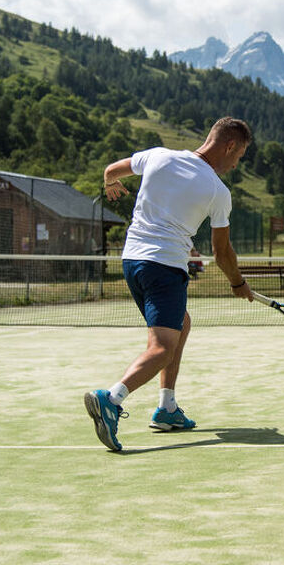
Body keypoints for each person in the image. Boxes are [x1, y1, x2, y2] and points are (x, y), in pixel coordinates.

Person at [84, 117, 254, 451]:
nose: (236, 164)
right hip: (164, 267)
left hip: (132, 261)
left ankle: (167, 407)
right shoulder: (218, 192)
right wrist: (238, 284)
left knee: (181, 323)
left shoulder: (157, 156)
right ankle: (112, 399)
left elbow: (113, 170)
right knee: (162, 347)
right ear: (229, 146)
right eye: (239, 156)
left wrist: (108, 181)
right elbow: (222, 253)